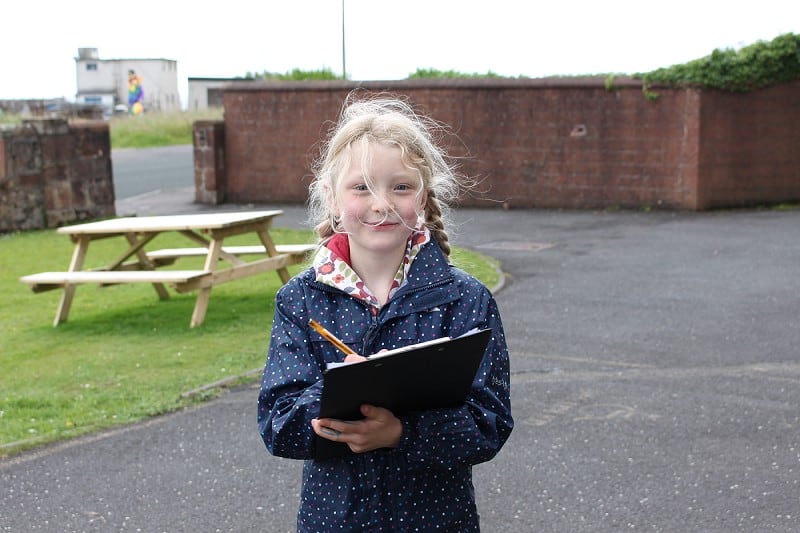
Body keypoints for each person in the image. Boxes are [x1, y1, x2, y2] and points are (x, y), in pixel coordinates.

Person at [257, 92, 513, 532]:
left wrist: (400, 434)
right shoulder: (300, 299)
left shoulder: (465, 298)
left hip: (437, 521)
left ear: (423, 194)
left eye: (400, 186)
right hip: (335, 521)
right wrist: (340, 390)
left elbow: (489, 424)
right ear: (332, 199)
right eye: (361, 187)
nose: (382, 204)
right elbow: (279, 426)